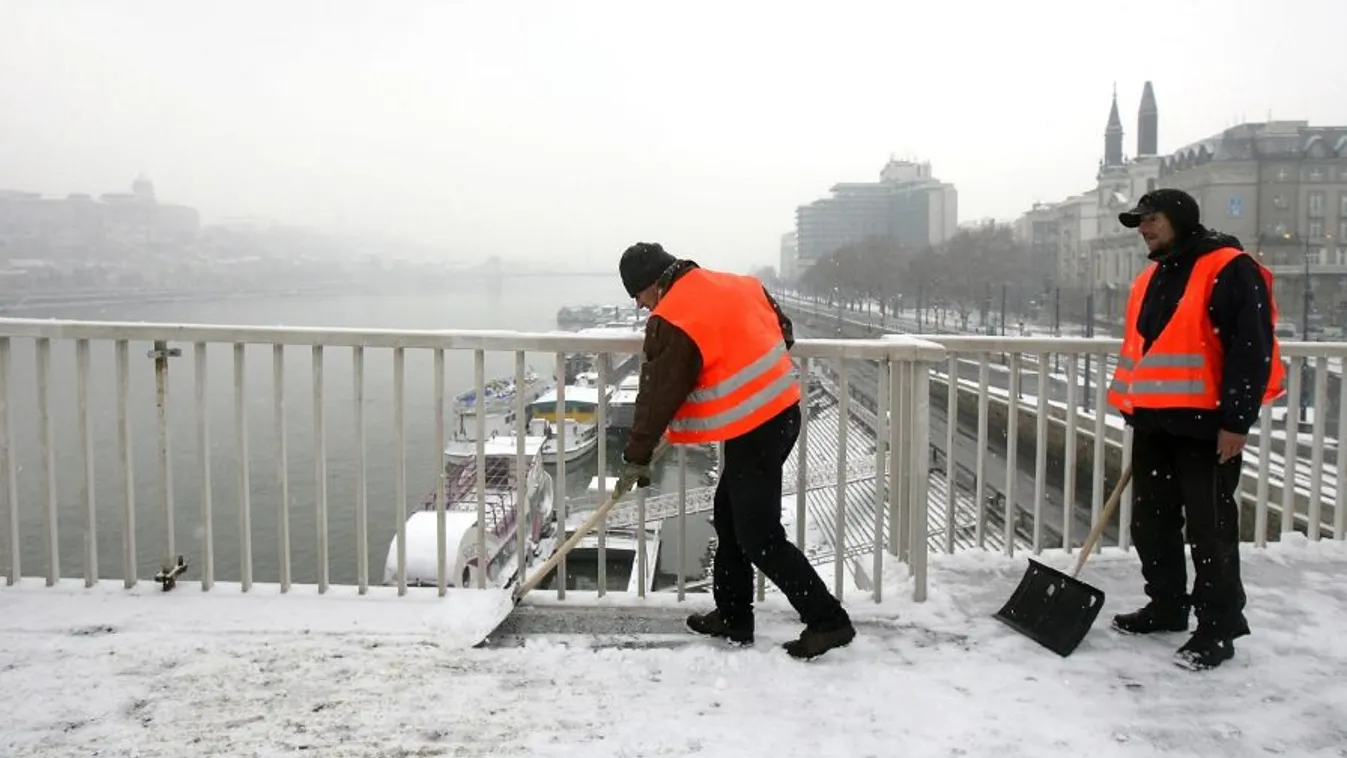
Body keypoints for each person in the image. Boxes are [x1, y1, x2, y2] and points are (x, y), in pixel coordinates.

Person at [617, 241, 856, 660]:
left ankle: (828, 620)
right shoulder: (739, 284)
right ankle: (733, 616)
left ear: (653, 284)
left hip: (756, 429)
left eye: (637, 294)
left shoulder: (671, 318)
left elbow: (656, 398)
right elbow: (784, 333)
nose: (639, 305)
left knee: (759, 536)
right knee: (729, 517)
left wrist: (636, 457)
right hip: (782, 413)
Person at [1106, 188, 1286, 671]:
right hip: (1154, 422)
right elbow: (1147, 349)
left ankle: (1218, 629)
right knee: (1151, 524)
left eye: (1152, 219)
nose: (1144, 229)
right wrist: (1136, 406)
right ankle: (1167, 605)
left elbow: (1251, 348)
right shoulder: (1152, 276)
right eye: (1139, 222)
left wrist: (1237, 421)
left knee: (1210, 533)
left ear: (1180, 219)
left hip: (1206, 428)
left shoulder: (1229, 267)